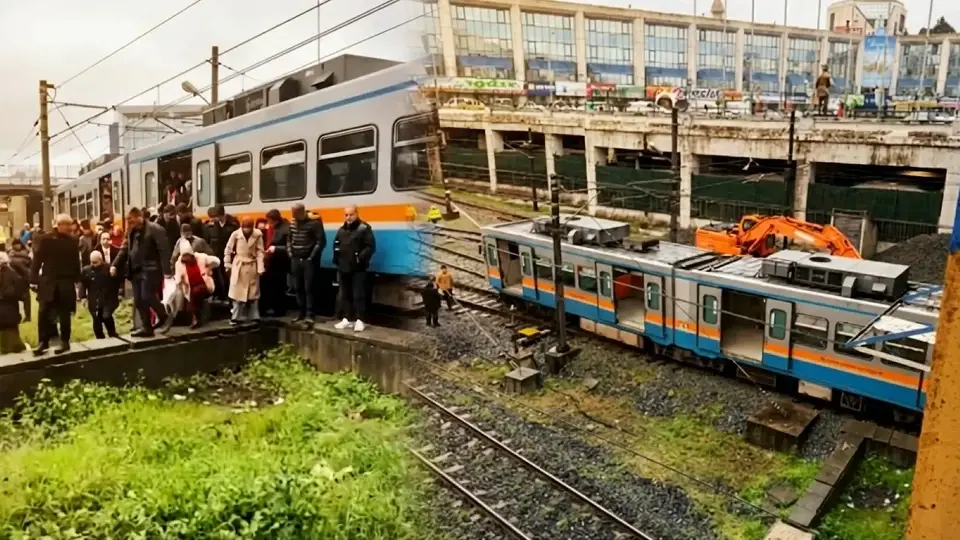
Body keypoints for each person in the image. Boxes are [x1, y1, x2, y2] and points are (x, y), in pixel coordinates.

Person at [111, 207, 171, 337]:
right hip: (135, 270)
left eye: (131, 219)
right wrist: (115, 265)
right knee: (138, 300)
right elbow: (124, 248)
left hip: (151, 268)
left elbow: (164, 250)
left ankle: (164, 315)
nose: (129, 222)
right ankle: (146, 327)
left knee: (146, 295)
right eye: (128, 220)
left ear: (139, 217)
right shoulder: (131, 231)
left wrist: (167, 271)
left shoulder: (155, 229)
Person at [30, 214, 81, 355]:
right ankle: (43, 341)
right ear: (58, 225)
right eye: (67, 225)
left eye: (70, 225)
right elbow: (37, 259)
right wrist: (33, 279)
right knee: (43, 312)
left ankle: (65, 341)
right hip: (48, 281)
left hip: (65, 281)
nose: (69, 228)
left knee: (64, 313)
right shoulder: (46, 239)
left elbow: (75, 260)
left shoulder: (73, 240)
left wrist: (77, 278)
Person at [333, 205, 375, 332]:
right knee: (345, 294)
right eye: (346, 215)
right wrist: (336, 259)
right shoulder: (341, 230)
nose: (348, 217)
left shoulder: (364, 229)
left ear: (356, 214)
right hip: (343, 267)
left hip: (358, 268)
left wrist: (360, 258)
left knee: (359, 294)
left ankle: (360, 320)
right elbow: (336, 244)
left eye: (351, 215)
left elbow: (370, 246)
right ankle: (347, 318)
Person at [287, 203, 325, 322]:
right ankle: (301, 312)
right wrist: (290, 253)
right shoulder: (292, 223)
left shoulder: (314, 224)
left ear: (301, 212)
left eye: (295, 214)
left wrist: (311, 257)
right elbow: (289, 239)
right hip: (295, 259)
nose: (294, 216)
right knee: (297, 287)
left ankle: (310, 313)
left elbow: (321, 241)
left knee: (309, 287)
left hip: (308, 260)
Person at [170, 239, 219, 329]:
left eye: (187, 255)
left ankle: (196, 319)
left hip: (204, 285)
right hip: (190, 289)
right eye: (184, 255)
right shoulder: (179, 264)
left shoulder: (201, 257)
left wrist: (208, 268)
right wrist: (178, 281)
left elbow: (217, 261)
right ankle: (197, 319)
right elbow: (178, 279)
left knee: (196, 293)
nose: (185, 258)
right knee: (192, 299)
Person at [224, 218, 265, 324]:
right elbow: (228, 249)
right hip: (239, 265)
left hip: (252, 265)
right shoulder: (235, 234)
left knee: (253, 293)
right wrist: (227, 263)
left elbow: (260, 251)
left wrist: (260, 267)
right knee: (237, 293)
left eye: (248, 228)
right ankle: (236, 316)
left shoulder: (257, 235)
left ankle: (254, 316)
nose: (246, 230)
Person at [79, 251, 120, 339]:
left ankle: (112, 333)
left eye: (95, 262)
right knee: (96, 319)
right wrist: (83, 297)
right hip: (94, 299)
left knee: (106, 316)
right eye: (91, 262)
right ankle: (100, 337)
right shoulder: (86, 270)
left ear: (101, 260)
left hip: (108, 298)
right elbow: (83, 284)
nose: (93, 264)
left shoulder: (108, 268)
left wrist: (114, 276)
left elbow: (116, 283)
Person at [203, 205, 239, 301]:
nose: (213, 219)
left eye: (215, 217)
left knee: (228, 275)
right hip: (216, 253)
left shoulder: (233, 224)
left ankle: (230, 295)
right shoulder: (212, 225)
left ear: (221, 215)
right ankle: (218, 294)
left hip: (229, 254)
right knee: (216, 275)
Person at [261, 209, 290, 317]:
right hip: (271, 261)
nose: (268, 223)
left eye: (270, 221)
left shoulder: (285, 229)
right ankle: (272, 307)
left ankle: (279, 310)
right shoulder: (273, 228)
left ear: (275, 220)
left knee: (279, 286)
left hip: (280, 262)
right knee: (271, 285)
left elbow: (288, 247)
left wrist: (275, 249)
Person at [0, 252, 26, 354]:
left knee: (6, 328)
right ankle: (12, 347)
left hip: (7, 306)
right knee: (9, 328)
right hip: (10, 306)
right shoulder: (12, 272)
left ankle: (9, 348)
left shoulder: (9, 273)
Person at [8, 239, 31, 322]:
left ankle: (27, 316)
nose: (17, 246)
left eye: (18, 244)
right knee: (14, 299)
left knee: (26, 299)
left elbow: (29, 265)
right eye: (15, 244)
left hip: (23, 278)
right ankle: (17, 315)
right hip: (15, 279)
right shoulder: (10, 253)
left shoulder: (26, 253)